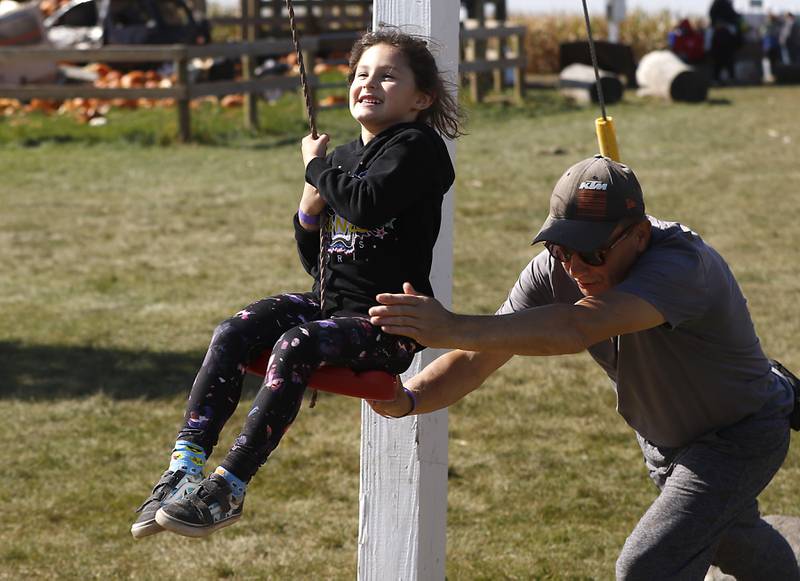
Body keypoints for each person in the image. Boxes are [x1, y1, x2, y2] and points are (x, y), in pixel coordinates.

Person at [367, 155, 800, 580]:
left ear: (641, 236)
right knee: (732, 539)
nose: (574, 266)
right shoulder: (555, 269)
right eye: (560, 247)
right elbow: (480, 355)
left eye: (593, 251)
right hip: (666, 441)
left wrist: (450, 326)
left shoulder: (682, 265)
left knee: (648, 566)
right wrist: (408, 399)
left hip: (739, 432)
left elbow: (578, 326)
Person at [130, 29, 460, 539]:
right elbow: (319, 259)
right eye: (361, 73)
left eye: (388, 75)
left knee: (295, 343)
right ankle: (184, 467)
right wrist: (307, 216)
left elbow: (366, 206)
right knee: (235, 330)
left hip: (387, 321)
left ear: (422, 97)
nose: (368, 82)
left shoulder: (418, 148)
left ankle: (229, 486)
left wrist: (314, 168)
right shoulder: (345, 157)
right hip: (331, 305)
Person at [709, 0, 743, 83]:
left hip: (726, 40)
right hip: (720, 37)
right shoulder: (718, 4)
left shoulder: (726, 4)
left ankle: (730, 78)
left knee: (728, 60)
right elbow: (712, 15)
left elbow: (733, 16)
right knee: (720, 61)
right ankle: (717, 78)